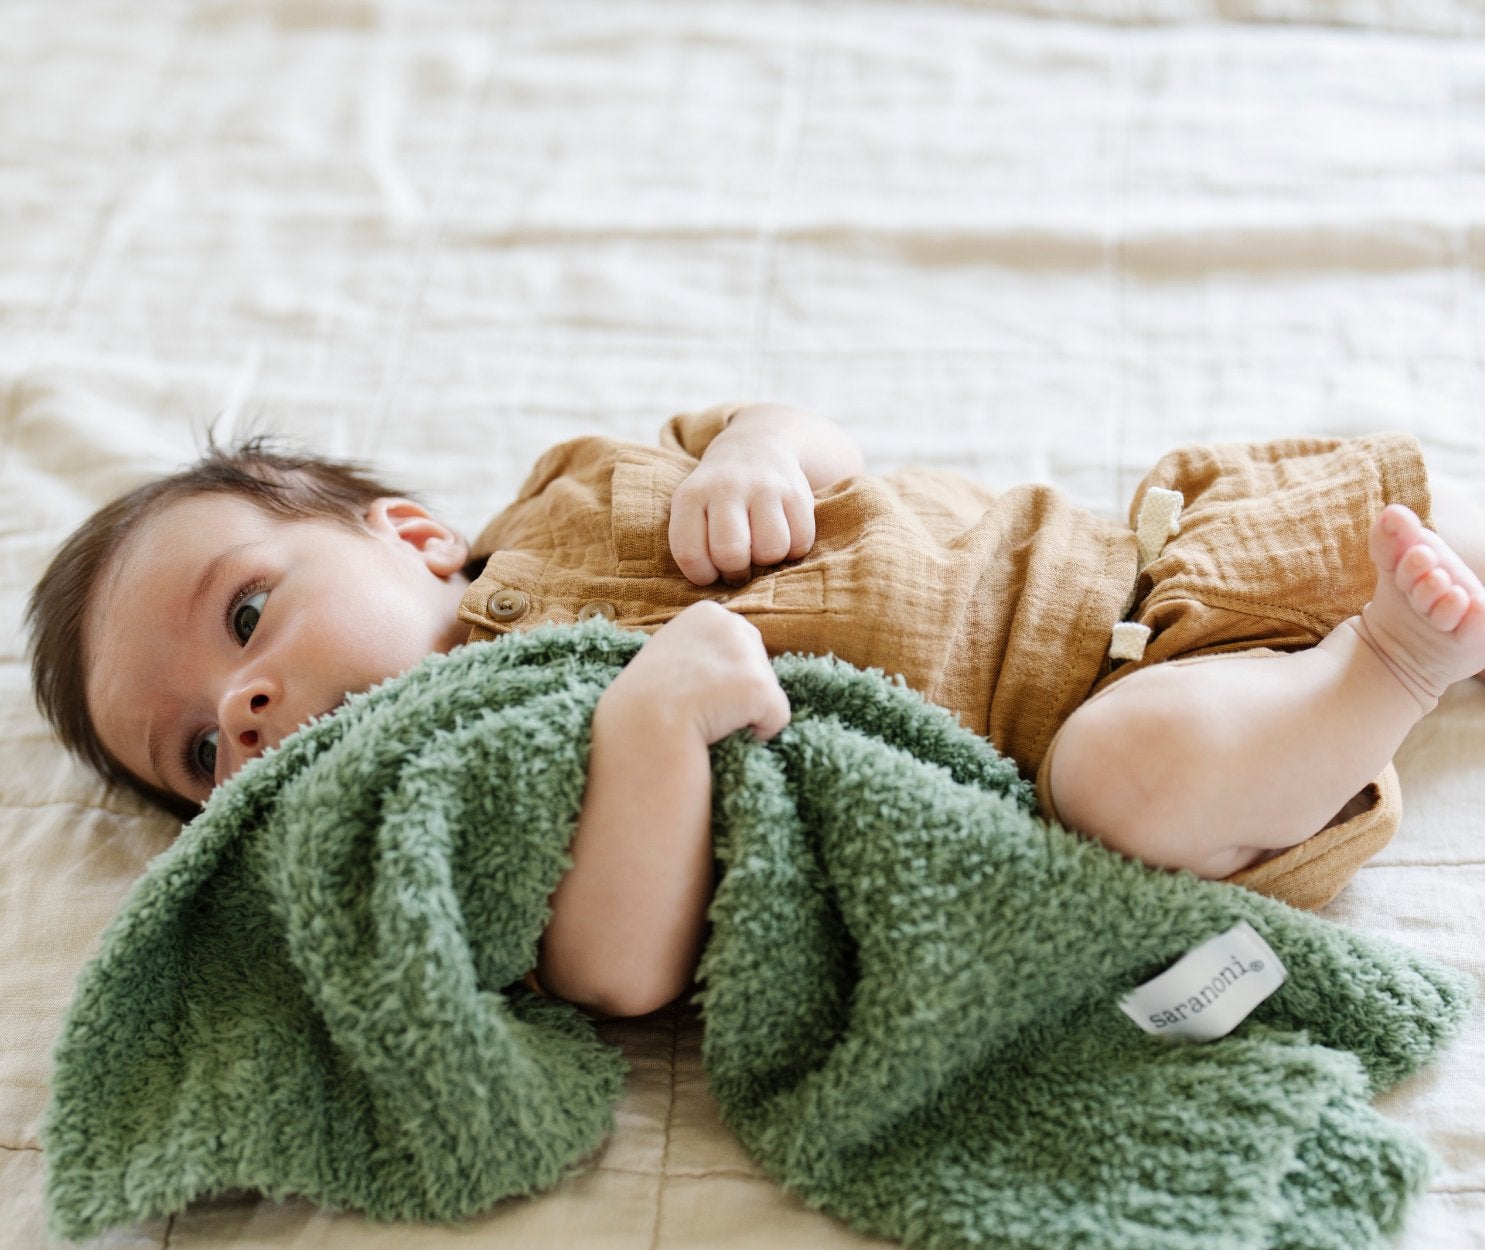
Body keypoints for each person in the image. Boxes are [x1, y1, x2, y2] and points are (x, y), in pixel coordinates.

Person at [25, 404, 1485, 1019]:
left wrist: (758, 450)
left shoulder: (571, 489)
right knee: (1127, 770)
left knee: (1425, 539)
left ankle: (1425, 615)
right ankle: (1384, 673)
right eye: (201, 749)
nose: (247, 701)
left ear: (407, 535)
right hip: (1139, 733)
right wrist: (656, 726)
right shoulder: (453, 803)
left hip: (1125, 564)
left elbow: (788, 430)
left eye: (243, 614)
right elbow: (616, 971)